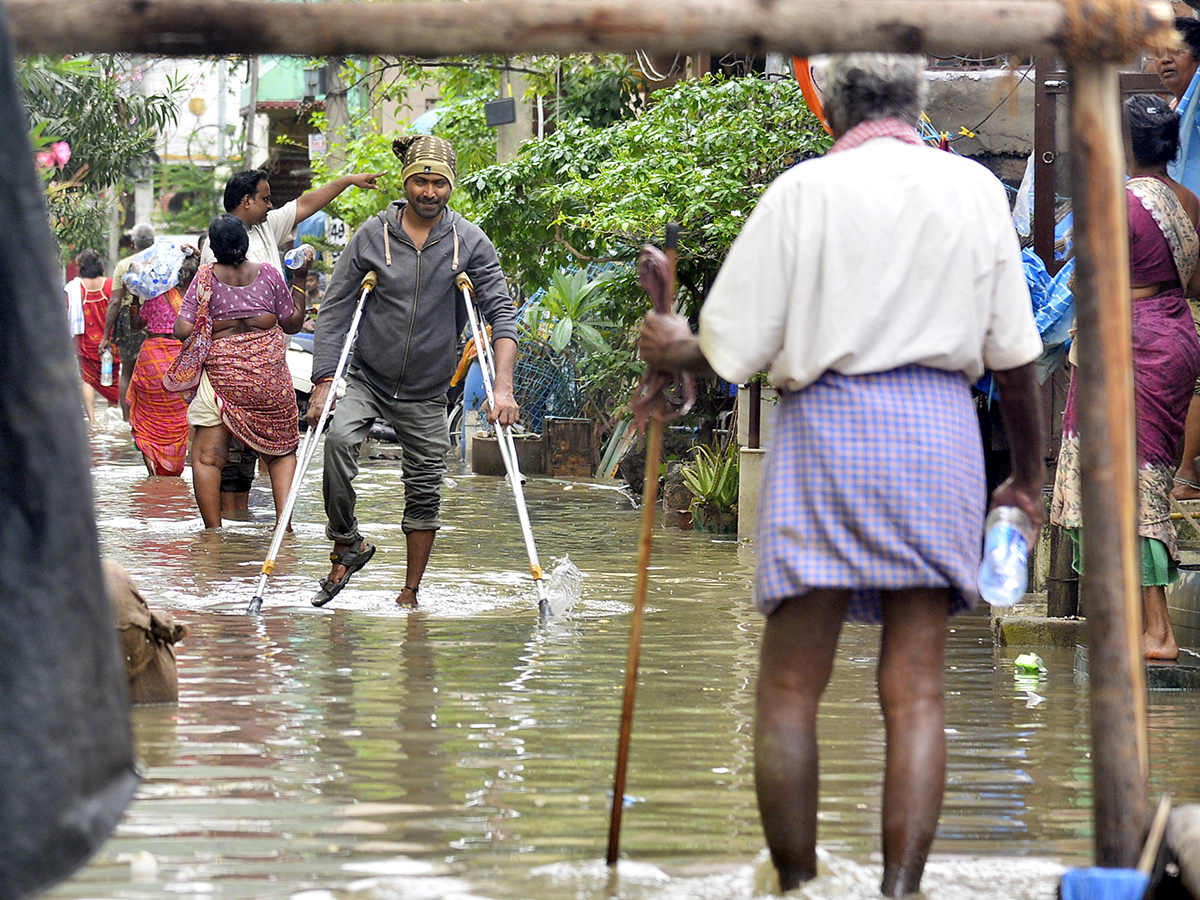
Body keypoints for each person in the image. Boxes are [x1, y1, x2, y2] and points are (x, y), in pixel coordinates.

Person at [637, 54, 1045, 897]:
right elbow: (1015, 361)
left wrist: (665, 334)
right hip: (938, 436)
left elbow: (725, 351)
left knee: (789, 686)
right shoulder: (971, 191)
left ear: (833, 112)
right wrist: (1026, 480)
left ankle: (795, 886)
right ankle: (899, 891)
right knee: (917, 690)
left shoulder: (802, 193)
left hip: (826, 428)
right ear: (915, 104)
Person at [307, 134, 520, 609]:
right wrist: (325, 381)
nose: (429, 192)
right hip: (368, 377)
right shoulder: (372, 234)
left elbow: (501, 315)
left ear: (451, 185)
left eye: (439, 183)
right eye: (421, 181)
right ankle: (346, 542)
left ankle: (410, 593)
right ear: (407, 183)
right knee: (339, 440)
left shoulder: (469, 242)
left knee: (424, 487)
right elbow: (336, 310)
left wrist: (502, 389)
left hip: (427, 390)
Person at [1052, 95, 1200, 661]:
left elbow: (1083, 281)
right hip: (1173, 335)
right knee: (1144, 481)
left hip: (1129, 345)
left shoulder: (1118, 202)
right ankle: (1140, 625)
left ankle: (1157, 632)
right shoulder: (1183, 199)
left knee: (1125, 484)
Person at [202, 167, 383, 515]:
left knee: (255, 460)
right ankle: (256, 544)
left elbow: (305, 205)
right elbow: (290, 321)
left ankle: (233, 548)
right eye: (266, 199)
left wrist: (345, 181)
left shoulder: (266, 226)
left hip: (265, 372)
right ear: (246, 201)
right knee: (247, 465)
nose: (272, 205)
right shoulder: (222, 252)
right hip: (237, 377)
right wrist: (298, 280)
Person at [174, 214, 306, 529]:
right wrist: (300, 279)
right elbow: (292, 323)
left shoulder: (205, 278)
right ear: (246, 244)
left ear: (212, 248)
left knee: (208, 459)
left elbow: (183, 329)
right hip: (268, 380)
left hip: (222, 383)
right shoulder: (271, 275)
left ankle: (213, 535)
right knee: (282, 452)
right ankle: (283, 529)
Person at [1154, 17, 1200, 500]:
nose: (1164, 60)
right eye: (1156, 52)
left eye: (1175, 51)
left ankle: (1186, 474)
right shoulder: (1174, 111)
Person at [126, 246, 200, 476]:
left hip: (151, 361)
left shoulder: (155, 297)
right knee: (178, 419)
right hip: (178, 363)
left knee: (148, 419)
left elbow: (136, 326)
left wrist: (135, 297)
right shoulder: (194, 300)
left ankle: (153, 471)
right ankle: (173, 470)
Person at [101, 223, 155, 421]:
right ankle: (151, 417)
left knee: (127, 370)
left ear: (133, 243)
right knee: (154, 368)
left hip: (129, 318)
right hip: (156, 318)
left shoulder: (124, 265)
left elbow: (115, 301)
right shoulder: (160, 261)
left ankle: (127, 419)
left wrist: (106, 336)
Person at [66, 248, 118, 421]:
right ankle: (113, 414)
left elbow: (68, 310)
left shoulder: (75, 288)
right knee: (113, 376)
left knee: (86, 378)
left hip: (86, 340)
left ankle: (92, 419)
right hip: (109, 339)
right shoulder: (110, 284)